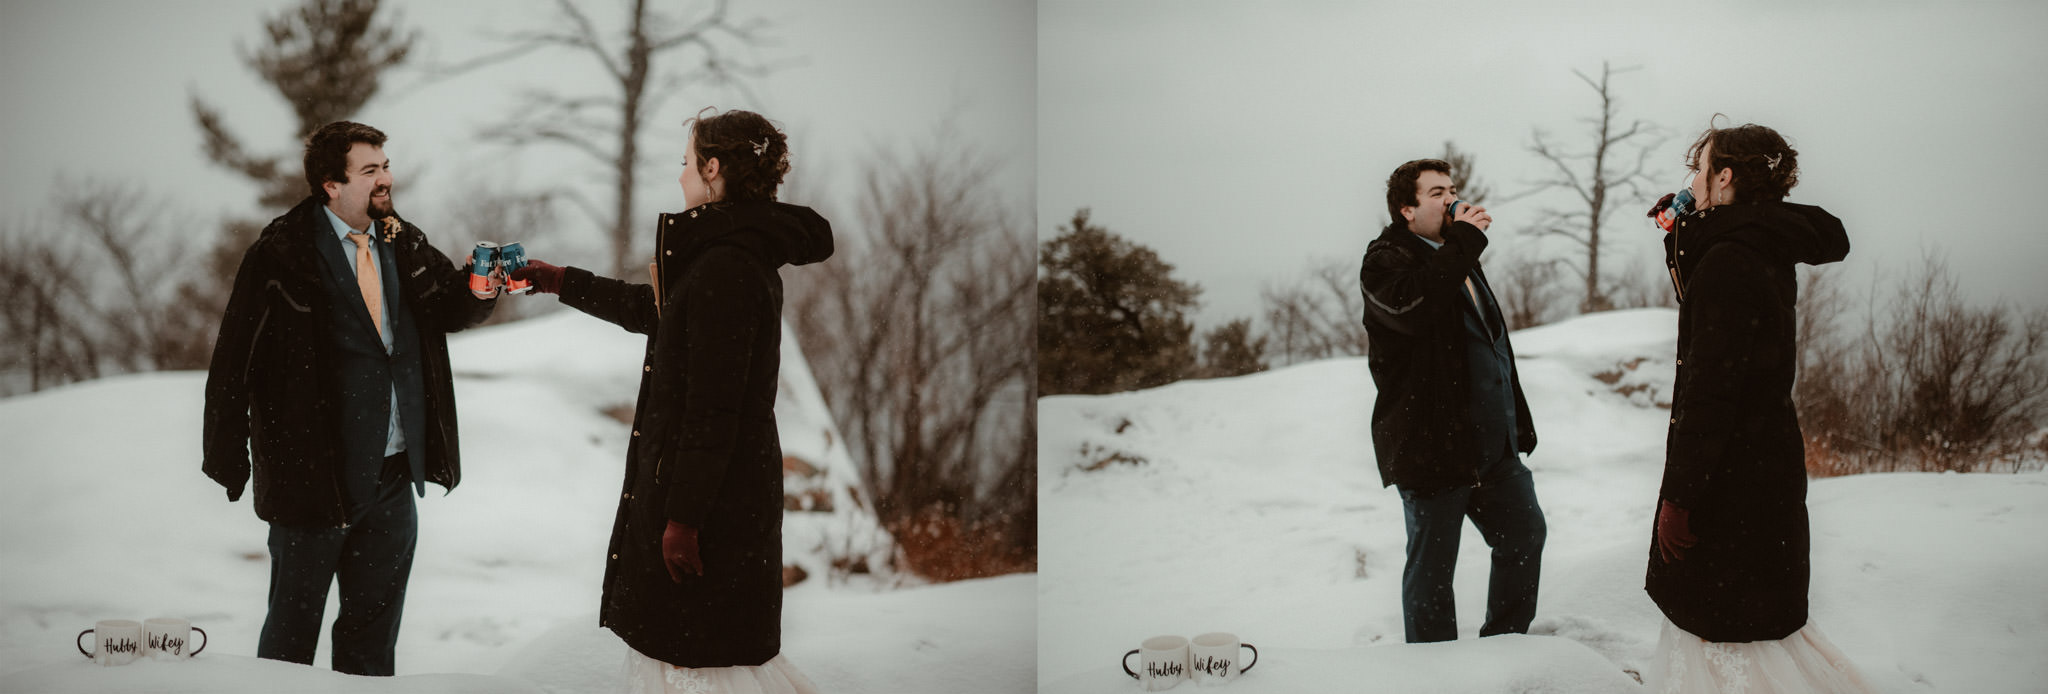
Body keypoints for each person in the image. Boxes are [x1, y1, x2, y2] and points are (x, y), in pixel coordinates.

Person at [509, 109, 829, 693]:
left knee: (701, 666)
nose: (680, 176)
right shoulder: (723, 256)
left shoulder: (726, 267)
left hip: (714, 508)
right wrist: (559, 280)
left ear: (712, 168)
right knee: (702, 656)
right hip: (717, 496)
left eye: (686, 163)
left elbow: (714, 411)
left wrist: (682, 520)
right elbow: (654, 312)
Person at [202, 121, 498, 675]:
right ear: (330, 186)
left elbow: (448, 308)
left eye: (385, 166)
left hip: (390, 477)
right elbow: (233, 359)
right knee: (290, 644)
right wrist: (227, 456)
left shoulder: (400, 237)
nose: (385, 179)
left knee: (371, 640)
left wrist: (483, 286)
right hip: (312, 478)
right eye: (370, 171)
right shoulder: (281, 252)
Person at [1643, 120, 1875, 692]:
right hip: (1762, 462)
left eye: (1700, 171)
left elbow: (1711, 392)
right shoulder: (1756, 242)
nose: (1691, 182)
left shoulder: (1728, 260)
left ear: (1724, 176)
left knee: (1724, 627)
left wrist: (1680, 497)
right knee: (1750, 622)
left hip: (1730, 477)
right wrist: (1683, 235)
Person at [1358, 158, 1545, 643]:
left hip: (1492, 446)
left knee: (1524, 536)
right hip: (1433, 447)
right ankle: (1434, 672)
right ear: (1406, 209)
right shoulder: (1385, 261)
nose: (1451, 199)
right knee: (1433, 570)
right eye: (1437, 192)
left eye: (1452, 189)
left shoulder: (1459, 258)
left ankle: (1505, 648)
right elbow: (1414, 309)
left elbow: (1491, 345)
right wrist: (1464, 240)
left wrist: (1514, 424)